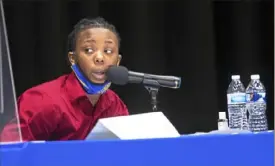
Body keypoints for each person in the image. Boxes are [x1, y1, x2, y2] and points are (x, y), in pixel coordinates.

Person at [1, 17, 129, 141]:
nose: (100, 58)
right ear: (72, 58)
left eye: (108, 51)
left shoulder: (115, 105)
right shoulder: (43, 101)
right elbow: (8, 152)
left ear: (117, 61)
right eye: (89, 50)